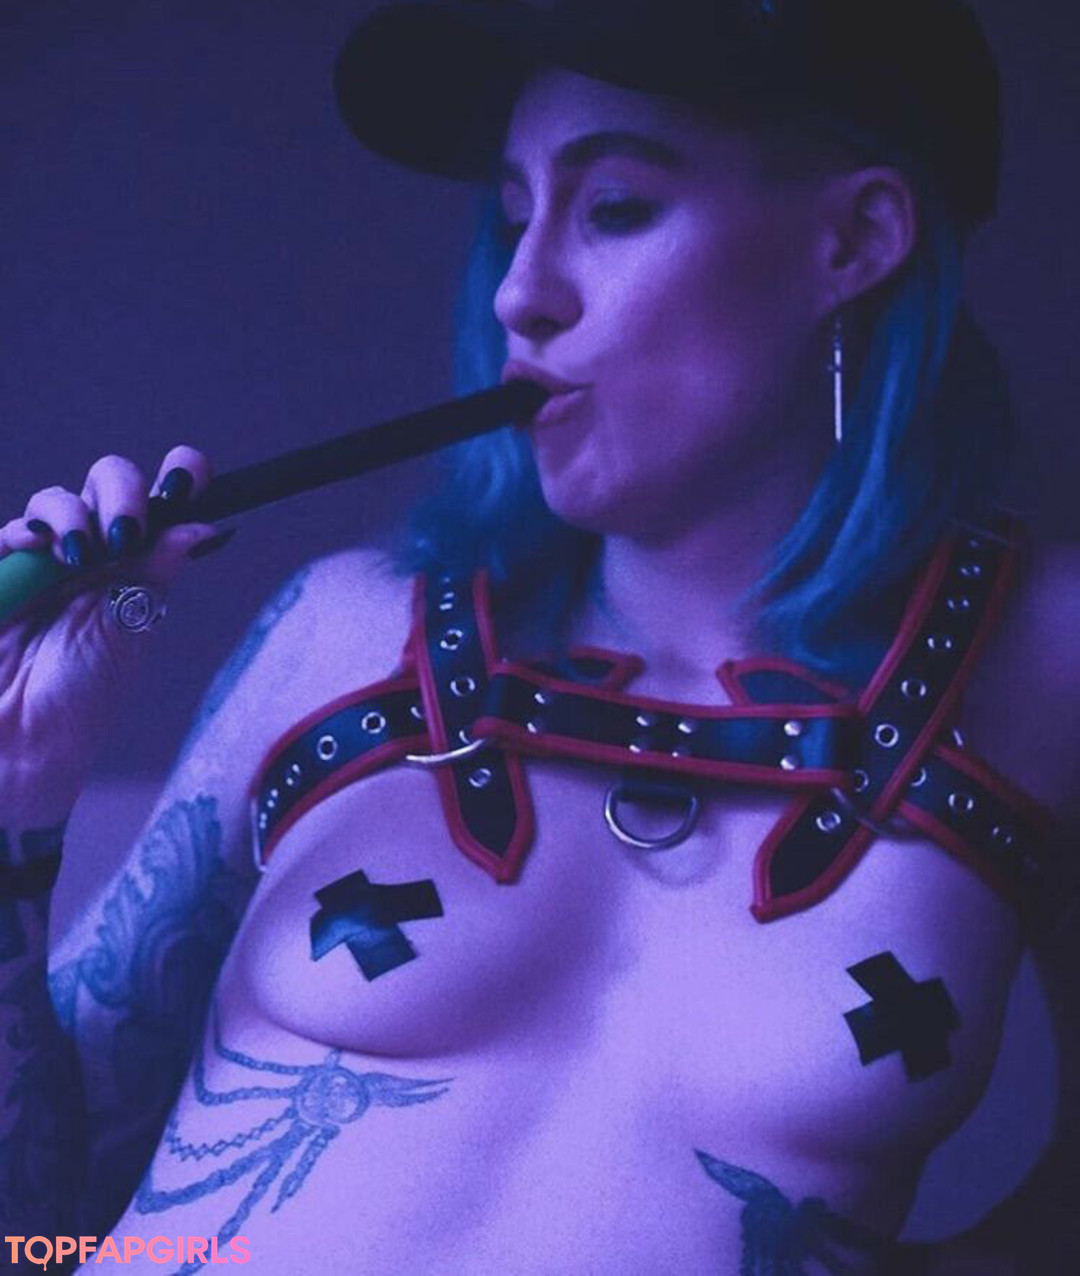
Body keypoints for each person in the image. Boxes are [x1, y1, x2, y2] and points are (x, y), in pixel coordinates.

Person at [0, 0, 1076, 1271]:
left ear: (855, 238)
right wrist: (18, 794)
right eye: (515, 217)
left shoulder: (1042, 667)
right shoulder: (345, 631)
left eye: (613, 208)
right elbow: (30, 1218)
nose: (522, 292)